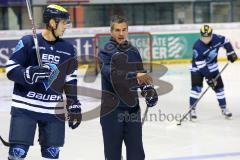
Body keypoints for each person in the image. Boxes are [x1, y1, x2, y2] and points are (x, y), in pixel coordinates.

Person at [5, 4, 82, 160]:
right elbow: (10, 69)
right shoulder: (28, 42)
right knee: (17, 154)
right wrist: (28, 73)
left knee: (52, 155)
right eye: (63, 22)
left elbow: (70, 78)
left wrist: (73, 103)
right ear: (52, 23)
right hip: (25, 109)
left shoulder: (68, 49)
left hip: (53, 111)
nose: (66, 26)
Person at [98, 15, 158, 160]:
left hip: (132, 111)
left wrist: (148, 90)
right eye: (117, 30)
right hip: (112, 113)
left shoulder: (133, 51)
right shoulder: (105, 52)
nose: (121, 33)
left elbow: (142, 76)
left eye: (124, 30)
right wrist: (135, 75)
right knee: (113, 156)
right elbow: (113, 76)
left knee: (137, 155)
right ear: (111, 31)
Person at [190, 24, 238, 119]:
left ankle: (224, 108)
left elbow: (226, 41)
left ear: (212, 35)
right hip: (197, 69)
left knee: (219, 88)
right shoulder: (197, 47)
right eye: (204, 37)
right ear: (201, 35)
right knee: (197, 89)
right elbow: (201, 66)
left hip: (213, 67)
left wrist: (230, 52)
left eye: (208, 37)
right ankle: (192, 109)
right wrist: (209, 78)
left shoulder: (217, 38)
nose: (206, 39)